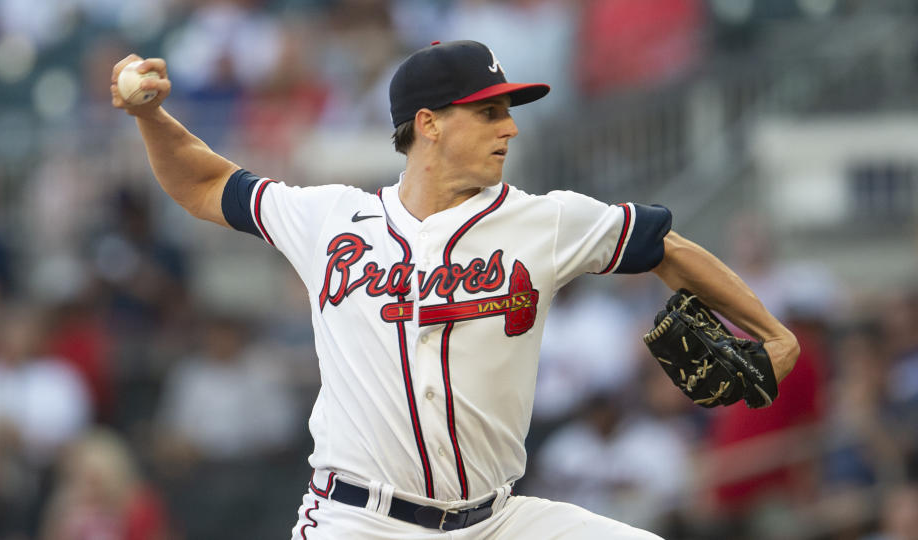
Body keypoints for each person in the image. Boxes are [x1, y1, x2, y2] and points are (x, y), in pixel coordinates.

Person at [111, 39, 799, 540]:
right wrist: (150, 117)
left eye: (508, 109)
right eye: (490, 111)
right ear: (429, 125)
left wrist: (772, 333)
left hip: (499, 521)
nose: (511, 126)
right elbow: (205, 182)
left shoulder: (544, 219)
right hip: (360, 521)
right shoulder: (330, 219)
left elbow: (667, 249)